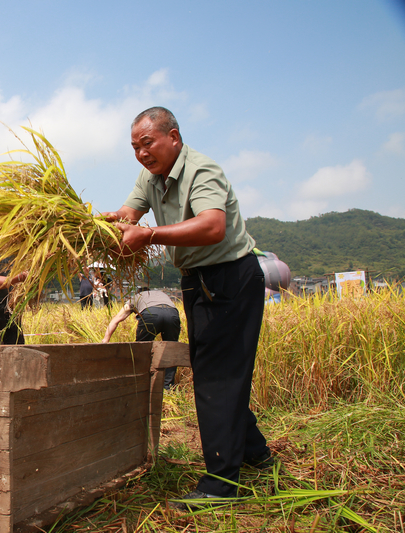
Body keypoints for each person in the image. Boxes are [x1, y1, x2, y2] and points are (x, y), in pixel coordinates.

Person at [103, 106, 272, 508]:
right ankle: (256, 454)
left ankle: (220, 485)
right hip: (196, 281)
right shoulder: (150, 177)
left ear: (174, 137)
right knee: (215, 371)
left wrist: (149, 235)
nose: (141, 153)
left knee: (217, 379)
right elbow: (130, 212)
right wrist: (107, 223)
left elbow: (213, 226)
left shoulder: (202, 170)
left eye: (148, 143)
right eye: (135, 147)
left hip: (230, 278)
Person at [101, 286, 181, 389]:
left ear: (138, 292)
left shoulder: (136, 297)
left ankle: (140, 384)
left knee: (141, 349)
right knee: (171, 349)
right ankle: (168, 387)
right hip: (172, 314)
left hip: (151, 314)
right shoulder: (161, 294)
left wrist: (106, 339)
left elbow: (116, 319)